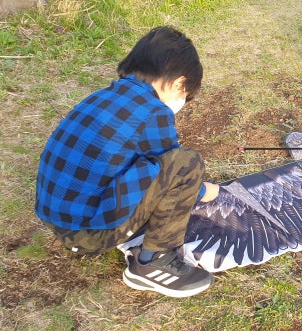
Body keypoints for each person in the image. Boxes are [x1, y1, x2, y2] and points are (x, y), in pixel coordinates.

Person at [34, 26, 220, 298]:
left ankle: (136, 239)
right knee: (187, 163)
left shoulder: (103, 95)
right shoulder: (153, 112)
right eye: (185, 96)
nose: (181, 101)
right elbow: (174, 175)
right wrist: (204, 191)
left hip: (58, 220)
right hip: (88, 234)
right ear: (180, 83)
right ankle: (153, 263)